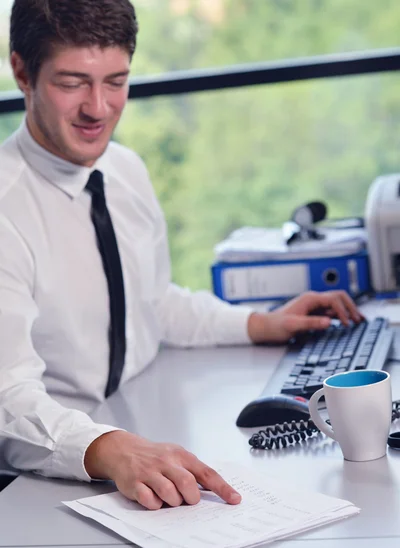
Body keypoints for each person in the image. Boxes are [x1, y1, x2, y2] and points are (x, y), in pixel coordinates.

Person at [0, 0, 363, 511]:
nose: (98, 108)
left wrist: (259, 323)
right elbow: (6, 397)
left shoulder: (125, 170)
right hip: (54, 473)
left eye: (116, 81)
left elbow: (152, 303)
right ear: (22, 71)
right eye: (72, 82)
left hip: (144, 425)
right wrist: (108, 447)